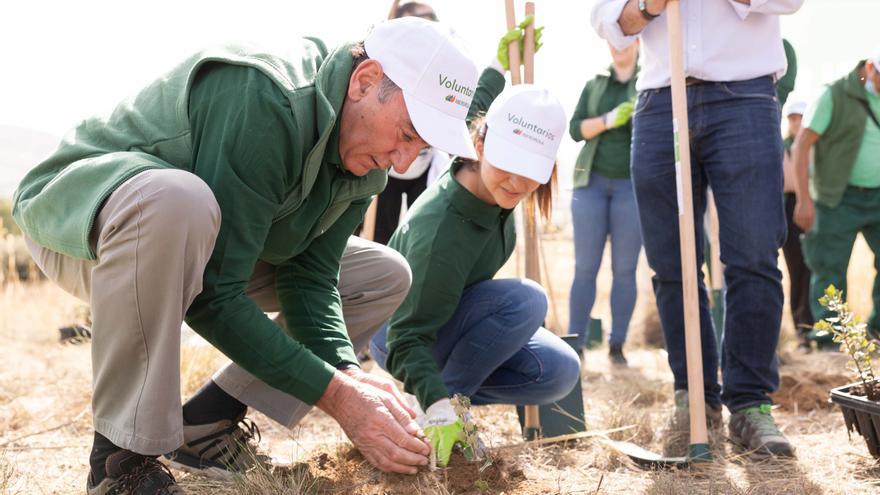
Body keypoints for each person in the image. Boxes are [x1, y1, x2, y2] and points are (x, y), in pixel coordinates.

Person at [14, 18, 481, 493]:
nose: (402, 162)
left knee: (383, 273)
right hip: (88, 222)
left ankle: (208, 422)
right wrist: (337, 397)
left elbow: (310, 278)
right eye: (405, 134)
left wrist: (347, 372)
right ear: (365, 81)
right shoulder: (265, 97)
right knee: (179, 201)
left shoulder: (365, 164)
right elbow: (214, 293)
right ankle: (121, 459)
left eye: (419, 148)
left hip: (195, 243)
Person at [592, 0, 804, 459]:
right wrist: (649, 5)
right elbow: (608, 21)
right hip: (658, 101)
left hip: (744, 96)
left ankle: (749, 403)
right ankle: (694, 395)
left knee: (753, 254)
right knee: (673, 264)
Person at [369, 73, 580, 466]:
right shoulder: (443, 234)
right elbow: (405, 336)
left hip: (448, 319)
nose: (518, 181)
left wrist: (500, 70)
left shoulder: (491, 186)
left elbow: (479, 99)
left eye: (531, 168)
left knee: (557, 371)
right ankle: (439, 407)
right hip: (402, 334)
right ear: (479, 145)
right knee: (526, 300)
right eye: (509, 162)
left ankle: (439, 395)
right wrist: (438, 404)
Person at [792, 51, 880, 342]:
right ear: (870, 68)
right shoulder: (833, 94)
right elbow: (802, 146)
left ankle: (877, 332)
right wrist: (804, 200)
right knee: (829, 269)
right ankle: (829, 341)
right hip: (837, 197)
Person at [568, 40, 641, 366]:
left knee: (625, 270)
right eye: (612, 40)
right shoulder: (594, 84)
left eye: (624, 40)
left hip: (632, 188)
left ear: (638, 41)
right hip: (591, 185)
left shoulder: (651, 80)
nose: (618, 46)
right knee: (585, 268)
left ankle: (617, 345)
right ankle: (575, 344)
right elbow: (575, 129)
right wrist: (610, 119)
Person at [373, 1, 451, 245]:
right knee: (380, 238)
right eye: (419, 20)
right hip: (388, 166)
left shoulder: (445, 68)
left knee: (422, 238)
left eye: (431, 21)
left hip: (425, 166)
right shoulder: (387, 62)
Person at [780, 99, 814, 348]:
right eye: (791, 118)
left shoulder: (816, 145)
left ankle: (818, 327)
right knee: (796, 270)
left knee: (814, 269)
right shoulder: (780, 146)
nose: (795, 122)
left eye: (799, 117)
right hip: (788, 207)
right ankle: (801, 331)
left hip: (814, 203)